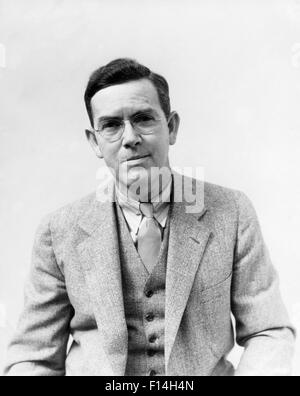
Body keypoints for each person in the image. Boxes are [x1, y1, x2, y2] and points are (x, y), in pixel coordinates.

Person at [4, 58, 295, 376]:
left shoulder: (231, 212)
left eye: (143, 119)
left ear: (171, 127)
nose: (129, 137)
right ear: (94, 141)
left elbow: (269, 331)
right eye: (112, 125)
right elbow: (34, 357)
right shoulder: (58, 231)